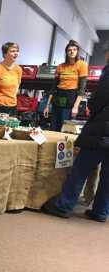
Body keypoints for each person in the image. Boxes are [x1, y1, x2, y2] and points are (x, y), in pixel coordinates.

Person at [41, 47, 109, 222]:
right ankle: (101, 211)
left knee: (81, 168)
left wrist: (91, 106)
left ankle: (64, 205)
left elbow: (99, 98)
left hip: (101, 131)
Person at [43, 40, 88, 132]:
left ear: (77, 51)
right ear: (66, 52)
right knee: (53, 128)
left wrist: (75, 106)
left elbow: (82, 89)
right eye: (69, 50)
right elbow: (53, 88)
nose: (72, 52)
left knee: (65, 129)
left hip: (71, 98)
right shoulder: (60, 66)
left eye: (74, 49)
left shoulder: (82, 65)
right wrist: (47, 105)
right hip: (58, 98)